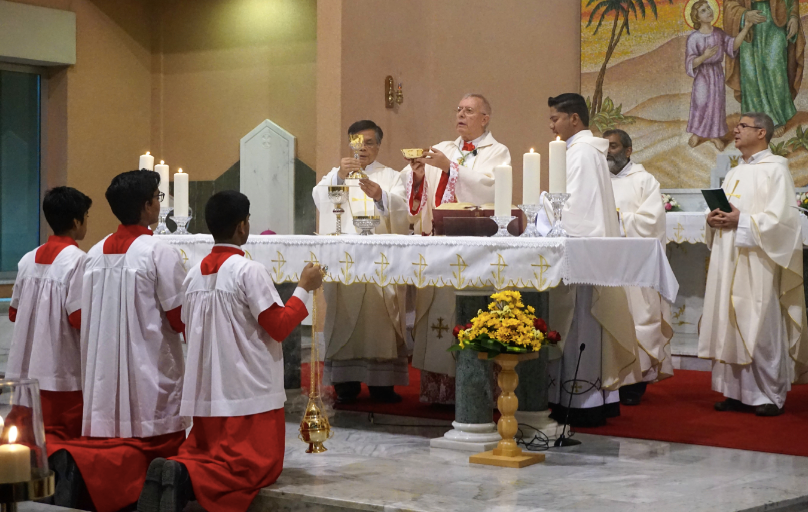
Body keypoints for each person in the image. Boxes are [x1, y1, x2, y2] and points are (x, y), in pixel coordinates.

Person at [138, 191, 322, 512]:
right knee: (253, 468)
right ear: (242, 226)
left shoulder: (194, 274)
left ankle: (181, 467)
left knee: (209, 454)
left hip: (208, 398)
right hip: (248, 398)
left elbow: (184, 325)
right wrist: (305, 287)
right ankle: (183, 475)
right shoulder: (248, 271)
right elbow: (278, 326)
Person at [49, 170, 188, 512]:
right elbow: (178, 317)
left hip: (103, 376)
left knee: (111, 439)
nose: (160, 203)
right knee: (155, 443)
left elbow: (78, 314)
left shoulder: (93, 254)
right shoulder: (158, 251)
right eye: (158, 197)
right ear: (146, 206)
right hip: (148, 371)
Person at [402, 93, 511, 403]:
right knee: (436, 314)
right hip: (439, 247)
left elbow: (492, 188)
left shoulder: (498, 152)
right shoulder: (443, 148)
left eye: (469, 111)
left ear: (485, 118)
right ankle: (438, 391)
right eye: (459, 110)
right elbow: (420, 195)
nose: (461, 115)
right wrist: (420, 175)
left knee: (468, 314)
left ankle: (473, 389)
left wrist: (451, 169)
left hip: (474, 249)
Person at [700, 112, 808, 416]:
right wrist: (713, 219)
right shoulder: (734, 173)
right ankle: (736, 393)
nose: (735, 130)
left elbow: (784, 222)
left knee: (759, 325)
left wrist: (741, 220)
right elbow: (728, 211)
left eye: (742, 126)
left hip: (758, 260)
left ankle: (768, 395)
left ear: (762, 133)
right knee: (730, 324)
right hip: (729, 256)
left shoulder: (776, 170)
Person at [544, 93, 641, 427]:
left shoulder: (583, 152)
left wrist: (541, 203)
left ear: (574, 118)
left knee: (579, 322)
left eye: (556, 118)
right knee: (578, 325)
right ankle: (580, 397)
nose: (552, 125)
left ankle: (581, 401)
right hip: (582, 252)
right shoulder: (582, 151)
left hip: (581, 255)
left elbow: (579, 211)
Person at [312, 120, 410, 403]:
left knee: (379, 319)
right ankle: (345, 381)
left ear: (378, 145)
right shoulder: (337, 174)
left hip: (380, 262)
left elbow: (402, 210)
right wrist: (340, 179)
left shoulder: (390, 176)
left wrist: (381, 197)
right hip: (346, 262)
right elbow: (321, 198)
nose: (363, 148)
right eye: (357, 142)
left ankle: (382, 384)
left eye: (369, 142)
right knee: (344, 318)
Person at [6, 187, 92, 446]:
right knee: (62, 442)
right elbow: (79, 319)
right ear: (77, 221)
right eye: (86, 216)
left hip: (26, 368)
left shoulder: (27, 259)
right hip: (61, 369)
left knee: (26, 440)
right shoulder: (78, 261)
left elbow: (13, 313)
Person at [605, 129, 674, 405]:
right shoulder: (596, 181)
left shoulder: (645, 181)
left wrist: (616, 220)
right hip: (606, 264)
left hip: (635, 267)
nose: (607, 152)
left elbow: (652, 222)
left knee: (639, 320)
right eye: (604, 147)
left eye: (613, 146)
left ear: (628, 151)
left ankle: (636, 381)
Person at [724, 0, 805, 138]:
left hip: (776, 19)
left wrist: (793, 16)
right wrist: (744, 15)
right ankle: (754, 119)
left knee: (775, 68)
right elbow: (729, 4)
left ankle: (777, 116)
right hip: (750, 24)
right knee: (750, 74)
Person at [685, 0, 758, 150]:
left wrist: (746, 28)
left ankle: (714, 135)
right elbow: (690, 63)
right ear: (697, 18)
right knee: (701, 103)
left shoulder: (718, 33)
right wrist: (704, 57)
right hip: (702, 76)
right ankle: (697, 133)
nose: (709, 11)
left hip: (717, 74)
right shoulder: (694, 38)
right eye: (703, 10)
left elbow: (733, 45)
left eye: (708, 8)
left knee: (716, 105)